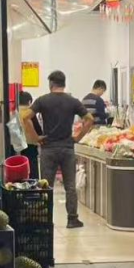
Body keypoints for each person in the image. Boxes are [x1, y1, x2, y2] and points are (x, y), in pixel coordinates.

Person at [31, 69, 93, 228]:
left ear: (51, 83)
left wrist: (35, 137)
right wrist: (78, 137)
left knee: (46, 186)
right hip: (67, 148)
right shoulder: (73, 101)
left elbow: (25, 117)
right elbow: (89, 119)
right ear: (64, 84)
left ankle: (45, 220)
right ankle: (72, 219)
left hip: (48, 149)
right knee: (70, 186)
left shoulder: (42, 100)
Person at [15, 89, 40, 179]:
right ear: (29, 102)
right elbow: (38, 130)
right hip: (30, 146)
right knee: (32, 171)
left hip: (15, 146)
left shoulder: (13, 113)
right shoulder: (29, 113)